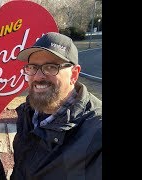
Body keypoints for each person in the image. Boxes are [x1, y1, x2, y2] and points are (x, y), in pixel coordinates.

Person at [10, 32, 102, 180]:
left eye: (51, 67)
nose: (38, 76)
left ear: (74, 74)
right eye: (32, 67)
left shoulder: (96, 132)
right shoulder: (27, 113)